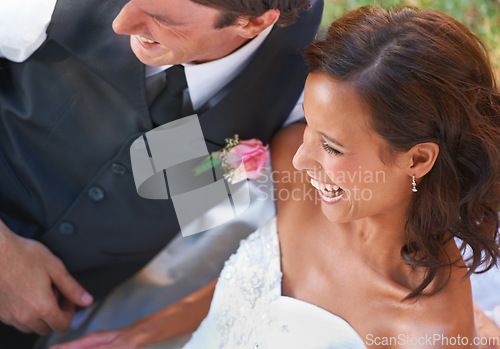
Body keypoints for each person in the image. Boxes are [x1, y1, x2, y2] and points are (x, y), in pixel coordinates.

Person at [68, 5, 499, 348]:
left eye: (331, 147)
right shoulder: (292, 151)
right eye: (308, 124)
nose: (298, 159)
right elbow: (262, 287)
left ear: (419, 160)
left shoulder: (429, 334)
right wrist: (134, 336)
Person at [0, 0, 323, 347]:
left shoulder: (307, 90)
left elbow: (298, 254)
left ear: (253, 23)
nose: (120, 23)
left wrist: (136, 336)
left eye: (159, 18)